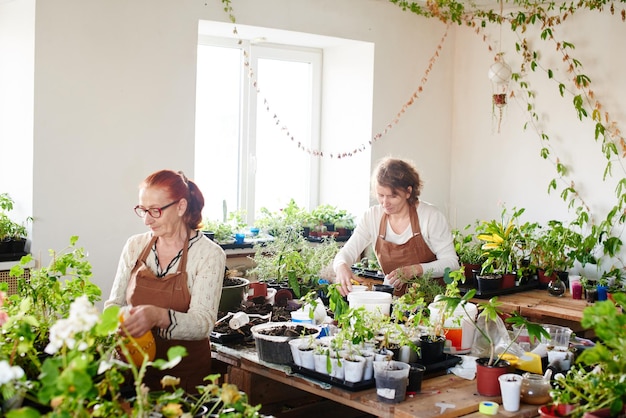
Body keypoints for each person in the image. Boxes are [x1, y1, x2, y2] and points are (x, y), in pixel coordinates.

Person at [105, 169, 225, 393]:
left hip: (184, 378)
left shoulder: (209, 254)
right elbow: (114, 304)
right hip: (134, 371)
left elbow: (204, 323)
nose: (147, 220)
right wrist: (120, 321)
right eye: (142, 210)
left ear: (180, 207)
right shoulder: (135, 246)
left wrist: (157, 316)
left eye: (155, 211)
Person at [333, 157, 459, 296]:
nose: (385, 202)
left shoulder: (430, 216)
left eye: (392, 196)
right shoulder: (372, 217)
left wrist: (416, 269)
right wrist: (341, 267)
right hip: (396, 303)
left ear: (408, 192)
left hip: (433, 301)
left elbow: (451, 263)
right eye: (381, 195)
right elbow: (347, 252)